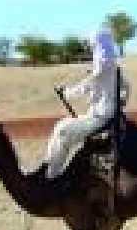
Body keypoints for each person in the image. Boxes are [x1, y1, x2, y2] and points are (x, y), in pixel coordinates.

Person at [39, 27, 129, 180]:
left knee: (62, 131)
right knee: (62, 125)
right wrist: (122, 101)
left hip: (100, 118)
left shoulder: (101, 68)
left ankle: (51, 176)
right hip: (107, 116)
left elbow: (85, 87)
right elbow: (127, 87)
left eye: (92, 46)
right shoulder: (115, 67)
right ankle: (49, 168)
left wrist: (66, 92)